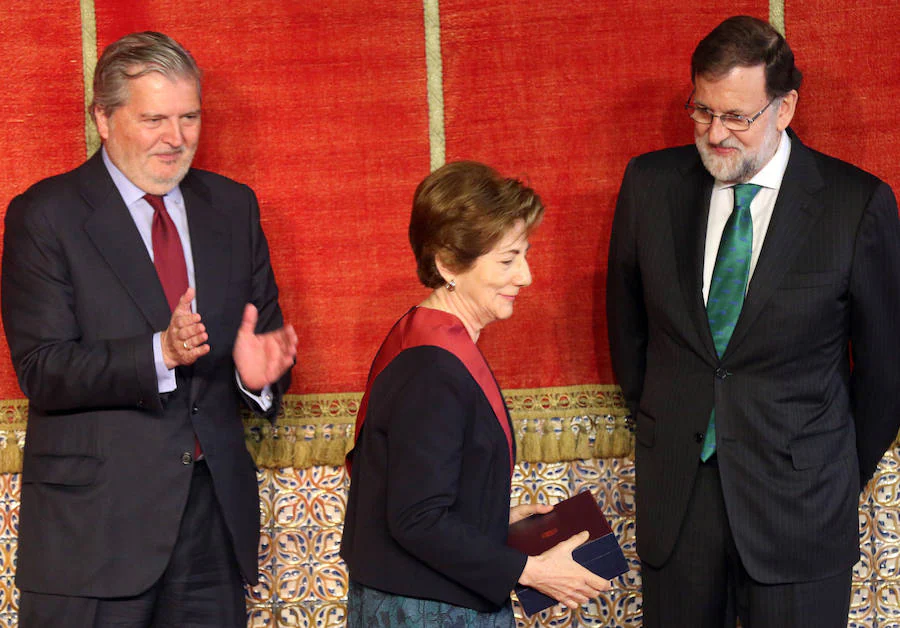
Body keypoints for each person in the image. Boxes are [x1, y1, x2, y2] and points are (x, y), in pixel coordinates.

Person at [606, 15, 900, 628]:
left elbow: (884, 372)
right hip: (680, 502)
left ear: (785, 106)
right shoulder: (648, 186)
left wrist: (833, 474)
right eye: (702, 112)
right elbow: (628, 331)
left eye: (737, 117)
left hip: (802, 509)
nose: (716, 134)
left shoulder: (855, 204)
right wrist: (672, 422)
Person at [1, 32, 298, 627]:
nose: (177, 138)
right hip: (93, 539)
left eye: (189, 117)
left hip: (211, 530)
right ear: (103, 120)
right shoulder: (46, 215)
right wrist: (159, 352)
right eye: (155, 118)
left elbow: (259, 339)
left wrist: (259, 377)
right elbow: (43, 369)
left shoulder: (233, 207)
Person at [340, 161, 610, 626]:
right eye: (507, 260)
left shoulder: (424, 334)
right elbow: (416, 519)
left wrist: (489, 519)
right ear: (447, 264)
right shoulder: (433, 367)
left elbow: (413, 487)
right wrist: (532, 570)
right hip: (428, 610)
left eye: (524, 254)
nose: (525, 277)